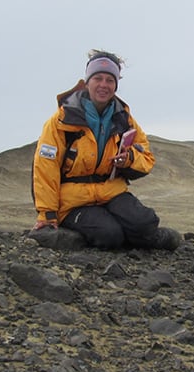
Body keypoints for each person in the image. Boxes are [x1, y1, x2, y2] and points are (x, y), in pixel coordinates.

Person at [31, 49, 181, 250]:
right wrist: (47, 214)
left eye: (110, 80)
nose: (103, 85)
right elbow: (45, 168)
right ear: (87, 82)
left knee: (144, 222)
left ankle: (140, 234)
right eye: (98, 78)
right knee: (109, 236)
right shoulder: (61, 121)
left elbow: (146, 157)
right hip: (73, 200)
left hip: (111, 191)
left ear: (116, 85)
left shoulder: (124, 119)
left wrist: (128, 159)